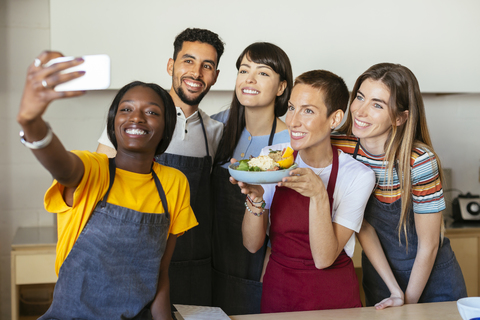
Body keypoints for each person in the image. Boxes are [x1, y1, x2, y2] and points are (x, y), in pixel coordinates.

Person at [18, 51, 198, 319]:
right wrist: (31, 123)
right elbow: (61, 166)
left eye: (151, 112)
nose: (136, 118)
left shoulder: (173, 183)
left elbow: (159, 274)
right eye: (126, 109)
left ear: (166, 127)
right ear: (113, 123)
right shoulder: (92, 169)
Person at [97, 28, 225, 306]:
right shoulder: (135, 121)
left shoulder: (215, 131)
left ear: (215, 75)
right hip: (136, 264)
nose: (196, 72)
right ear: (171, 66)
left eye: (207, 66)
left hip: (196, 264)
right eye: (188, 61)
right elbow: (100, 192)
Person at [233, 70, 376, 313]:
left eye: (308, 111)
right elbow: (252, 244)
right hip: (278, 292)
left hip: (333, 301)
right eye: (291, 107)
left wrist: (319, 195)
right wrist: (255, 200)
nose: (293, 121)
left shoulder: (357, 176)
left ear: (335, 119)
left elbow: (324, 258)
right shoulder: (274, 158)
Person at [331, 63, 467, 309]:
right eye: (360, 97)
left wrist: (408, 306)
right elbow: (363, 226)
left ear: (400, 117)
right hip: (381, 279)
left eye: (377, 104)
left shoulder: (419, 161)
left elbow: (429, 245)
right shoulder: (341, 147)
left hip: (435, 282)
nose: (360, 111)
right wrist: (394, 290)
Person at [210, 42, 293, 315]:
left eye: (263, 73)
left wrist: (264, 277)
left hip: (257, 269)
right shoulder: (215, 126)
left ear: (281, 88)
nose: (250, 78)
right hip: (211, 260)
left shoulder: (291, 143)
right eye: (244, 70)